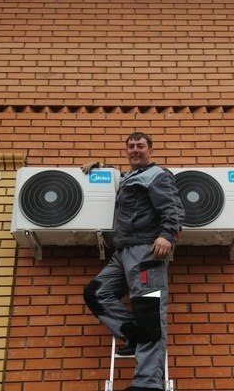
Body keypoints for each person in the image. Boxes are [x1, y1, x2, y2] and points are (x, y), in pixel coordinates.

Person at [82, 132, 185, 391]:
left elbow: (173, 208)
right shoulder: (128, 177)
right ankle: (131, 332)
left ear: (150, 150)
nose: (135, 150)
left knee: (149, 313)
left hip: (147, 252)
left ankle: (147, 384)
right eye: (131, 146)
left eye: (140, 146)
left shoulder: (158, 175)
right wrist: (101, 168)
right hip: (123, 251)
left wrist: (167, 235)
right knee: (96, 292)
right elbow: (120, 178)